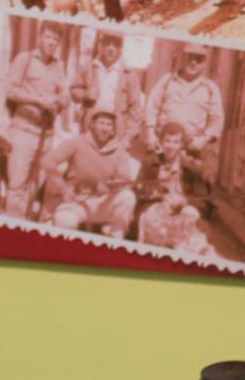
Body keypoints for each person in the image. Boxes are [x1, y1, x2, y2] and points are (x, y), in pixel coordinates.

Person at [145, 43, 225, 216]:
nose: (193, 62)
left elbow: (217, 120)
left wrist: (203, 139)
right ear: (183, 57)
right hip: (164, 144)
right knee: (150, 189)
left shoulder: (210, 88)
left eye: (199, 59)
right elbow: (152, 107)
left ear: (205, 62)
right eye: (190, 57)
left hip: (191, 147)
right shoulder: (166, 81)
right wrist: (150, 133)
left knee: (194, 198)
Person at [40, 108, 138, 238]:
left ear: (113, 130)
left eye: (109, 125)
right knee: (64, 221)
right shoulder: (77, 142)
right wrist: (63, 188)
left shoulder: (119, 150)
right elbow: (47, 161)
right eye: (101, 123)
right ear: (92, 125)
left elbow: (125, 178)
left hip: (102, 203)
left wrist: (109, 186)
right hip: (77, 203)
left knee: (128, 197)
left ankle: (116, 238)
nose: (105, 128)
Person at [3, 20, 67, 219]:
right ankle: (13, 224)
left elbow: (64, 95)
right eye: (47, 37)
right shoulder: (25, 59)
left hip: (46, 135)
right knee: (17, 184)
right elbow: (10, 91)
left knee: (35, 184)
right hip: (23, 131)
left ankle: (26, 223)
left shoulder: (58, 66)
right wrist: (37, 100)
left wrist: (60, 102)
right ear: (40, 36)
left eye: (55, 39)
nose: (51, 42)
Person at [69, 31, 144, 151]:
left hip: (115, 134)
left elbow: (135, 110)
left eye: (115, 45)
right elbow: (74, 91)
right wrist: (86, 94)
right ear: (101, 44)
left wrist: (127, 139)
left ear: (121, 48)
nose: (111, 48)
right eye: (107, 43)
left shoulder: (129, 74)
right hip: (89, 130)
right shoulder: (88, 67)